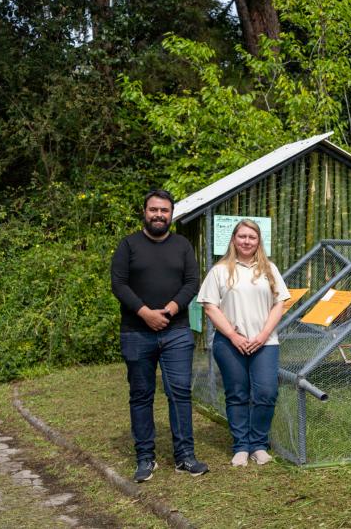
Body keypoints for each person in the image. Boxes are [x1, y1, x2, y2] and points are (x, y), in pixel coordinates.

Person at [111, 189, 208, 482]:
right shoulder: (128, 245)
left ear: (171, 213)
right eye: (153, 209)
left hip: (176, 331)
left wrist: (169, 308)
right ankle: (145, 458)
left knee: (180, 392)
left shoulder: (182, 245)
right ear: (144, 211)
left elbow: (192, 281)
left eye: (164, 210)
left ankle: (184, 457)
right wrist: (145, 313)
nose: (158, 215)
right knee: (141, 395)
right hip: (136, 332)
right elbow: (119, 284)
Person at [197, 219, 290, 467]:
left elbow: (279, 304)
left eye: (252, 237)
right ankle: (241, 446)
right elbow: (209, 306)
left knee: (266, 392)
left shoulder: (269, 269)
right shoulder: (219, 270)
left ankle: (259, 444)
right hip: (229, 343)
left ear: (259, 241)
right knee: (237, 393)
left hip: (265, 343)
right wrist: (233, 335)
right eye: (242, 236)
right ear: (234, 239)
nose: (247, 241)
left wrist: (261, 336)